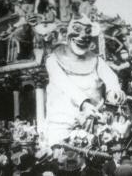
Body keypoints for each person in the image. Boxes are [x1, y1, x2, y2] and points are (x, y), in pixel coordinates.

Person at [45, 14, 126, 145]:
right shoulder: (53, 60)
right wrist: (85, 104)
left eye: (87, 32)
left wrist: (114, 90)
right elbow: (65, 85)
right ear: (67, 34)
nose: (82, 37)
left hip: (94, 124)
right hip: (62, 126)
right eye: (77, 31)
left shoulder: (96, 60)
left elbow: (111, 78)